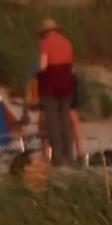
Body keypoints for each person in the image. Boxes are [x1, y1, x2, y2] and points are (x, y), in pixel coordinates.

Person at [32, 17, 82, 166]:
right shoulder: (67, 43)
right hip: (67, 82)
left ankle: (58, 157)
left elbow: (43, 65)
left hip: (50, 83)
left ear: (45, 32)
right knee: (65, 119)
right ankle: (69, 155)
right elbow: (69, 65)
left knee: (52, 119)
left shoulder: (45, 43)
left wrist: (36, 77)